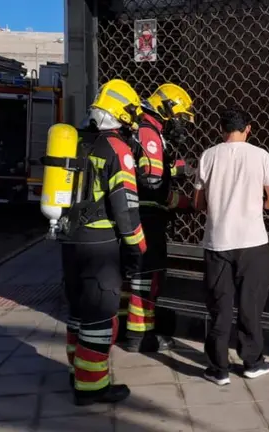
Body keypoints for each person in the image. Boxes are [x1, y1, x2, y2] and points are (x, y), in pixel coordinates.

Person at [60, 79, 147, 405]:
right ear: (122, 114)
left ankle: (77, 372)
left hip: (70, 241)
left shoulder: (78, 142)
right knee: (100, 315)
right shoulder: (117, 151)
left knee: (79, 311)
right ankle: (92, 387)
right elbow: (125, 207)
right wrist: (137, 247)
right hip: (100, 244)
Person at [192, 107, 269, 386]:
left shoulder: (208, 155)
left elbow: (197, 203)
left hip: (218, 243)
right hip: (253, 243)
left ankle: (218, 369)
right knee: (250, 305)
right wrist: (257, 205)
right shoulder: (260, 156)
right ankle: (252, 362)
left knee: (219, 307)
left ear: (221, 129)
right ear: (248, 129)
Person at [119, 83, 195, 352]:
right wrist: (187, 202)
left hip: (134, 213)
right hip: (148, 216)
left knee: (132, 275)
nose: (181, 124)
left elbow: (148, 168)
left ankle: (124, 328)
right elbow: (152, 181)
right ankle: (141, 336)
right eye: (180, 117)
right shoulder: (150, 133)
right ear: (168, 109)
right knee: (148, 277)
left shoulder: (143, 128)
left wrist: (178, 169)